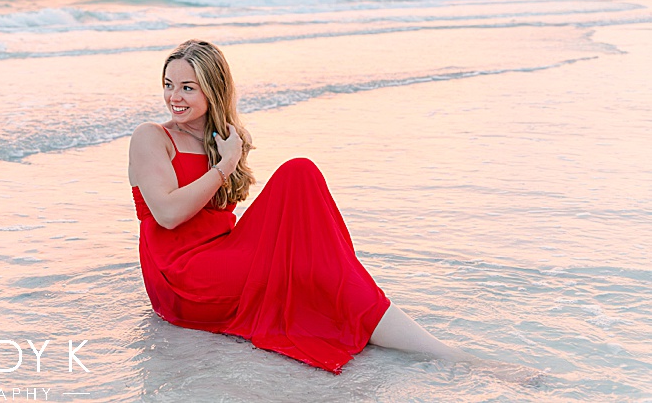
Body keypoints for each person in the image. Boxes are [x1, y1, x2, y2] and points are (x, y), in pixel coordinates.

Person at [128, 39, 536, 378]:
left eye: (187, 87)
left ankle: (403, 329)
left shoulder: (225, 139)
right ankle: (441, 353)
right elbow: (167, 214)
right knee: (317, 267)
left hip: (222, 256)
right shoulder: (152, 137)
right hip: (182, 278)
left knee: (299, 176)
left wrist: (225, 156)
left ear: (212, 90)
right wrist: (224, 166)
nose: (173, 97)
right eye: (168, 85)